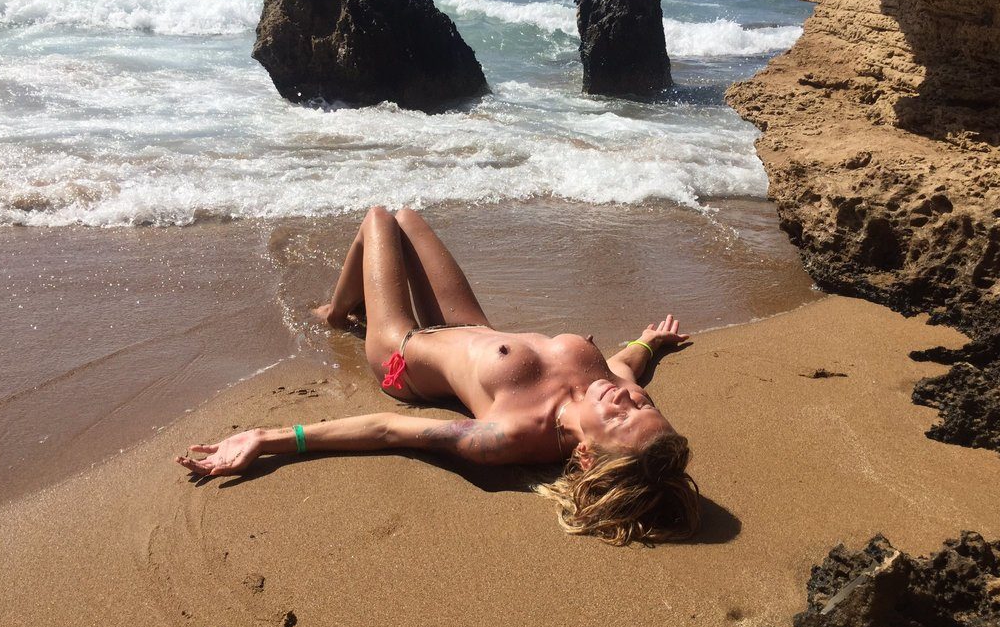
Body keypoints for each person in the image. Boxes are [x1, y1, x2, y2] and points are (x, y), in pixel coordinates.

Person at [176, 207, 700, 545]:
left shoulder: (508, 435)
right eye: (644, 405)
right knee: (408, 217)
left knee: (378, 219)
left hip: (402, 352)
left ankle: (337, 316)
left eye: (622, 416)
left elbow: (389, 430)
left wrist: (267, 438)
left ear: (585, 454)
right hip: (470, 326)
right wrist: (648, 343)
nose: (628, 400)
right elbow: (625, 367)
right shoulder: (614, 388)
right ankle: (348, 307)